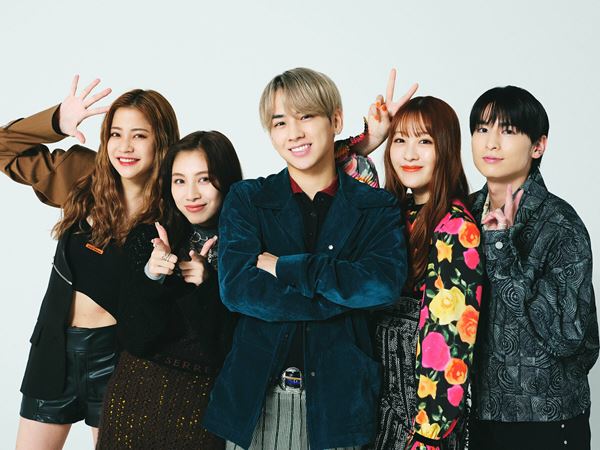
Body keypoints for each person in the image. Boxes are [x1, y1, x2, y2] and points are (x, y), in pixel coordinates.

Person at [202, 67, 408, 450]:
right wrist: (341, 295)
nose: (294, 132)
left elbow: (382, 285)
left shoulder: (376, 207)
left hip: (339, 405)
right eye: (280, 122)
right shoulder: (248, 199)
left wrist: (284, 267)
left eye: (306, 116)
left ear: (336, 121)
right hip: (254, 403)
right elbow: (239, 290)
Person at [0, 76, 179, 449]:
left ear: (161, 141)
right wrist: (56, 121)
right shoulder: (83, 175)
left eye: (139, 135)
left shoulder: (177, 206)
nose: (124, 146)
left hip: (122, 359)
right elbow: (3, 148)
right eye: (115, 134)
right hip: (54, 352)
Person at [468, 86, 599, 450]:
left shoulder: (560, 224)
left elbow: (568, 335)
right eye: (482, 129)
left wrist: (500, 247)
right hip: (474, 416)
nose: (491, 142)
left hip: (544, 421)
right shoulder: (463, 213)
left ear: (538, 146)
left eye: (508, 131)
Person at [95, 130, 242, 449]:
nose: (191, 194)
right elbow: (135, 340)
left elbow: (227, 351)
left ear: (228, 179)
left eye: (204, 179)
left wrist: (206, 287)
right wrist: (151, 277)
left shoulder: (248, 247)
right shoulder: (148, 239)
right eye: (179, 181)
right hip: (133, 399)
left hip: (203, 411)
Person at [365, 96, 483, 450]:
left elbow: (450, 341)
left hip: (418, 421)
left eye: (424, 141)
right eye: (400, 140)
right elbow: (321, 173)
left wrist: (428, 435)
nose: (409, 153)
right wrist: (371, 139)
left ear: (445, 148)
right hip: (378, 410)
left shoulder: (455, 228)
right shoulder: (392, 212)